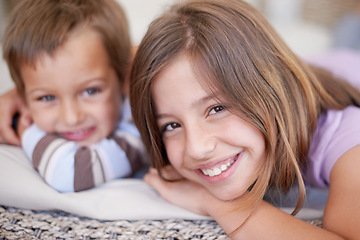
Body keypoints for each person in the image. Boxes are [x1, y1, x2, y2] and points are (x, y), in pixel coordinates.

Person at [129, 0, 360, 239]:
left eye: (217, 108)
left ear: (269, 90)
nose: (197, 148)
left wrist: (220, 204)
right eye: (172, 125)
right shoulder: (167, 91)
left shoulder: (348, 141)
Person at [1, 0, 146, 193]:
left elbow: (69, 173)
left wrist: (25, 128)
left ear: (125, 77)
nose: (71, 117)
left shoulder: (138, 129)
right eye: (46, 97)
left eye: (91, 91)